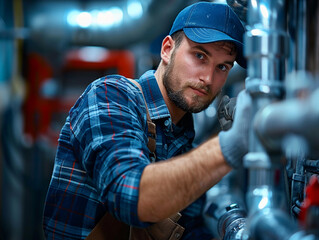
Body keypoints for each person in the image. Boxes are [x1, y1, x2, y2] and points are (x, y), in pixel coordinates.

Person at [43, 2, 251, 239]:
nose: (207, 78)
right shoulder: (111, 95)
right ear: (167, 49)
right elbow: (129, 197)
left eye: (222, 66)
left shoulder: (183, 136)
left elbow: (189, 231)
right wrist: (231, 143)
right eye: (199, 55)